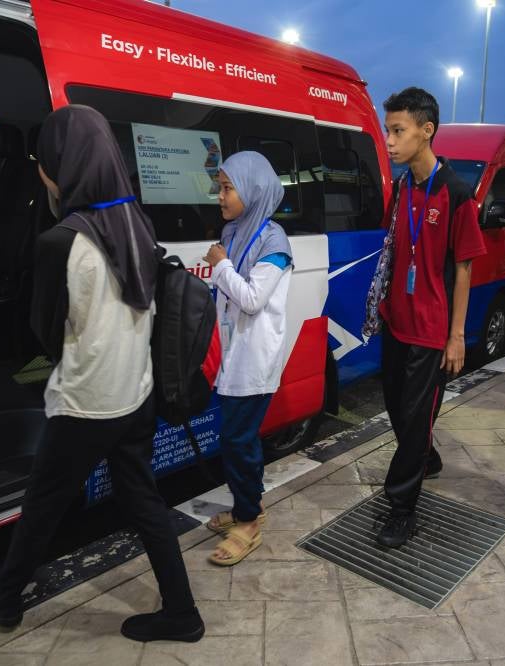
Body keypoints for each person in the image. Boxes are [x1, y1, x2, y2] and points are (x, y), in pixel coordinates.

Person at [0, 105, 204, 643]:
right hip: (135, 394)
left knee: (44, 503)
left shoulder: (60, 241)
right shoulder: (137, 223)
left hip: (87, 402)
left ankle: (4, 601)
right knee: (144, 501)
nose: (43, 173)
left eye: (45, 163)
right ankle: (182, 612)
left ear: (63, 168)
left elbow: (45, 335)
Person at [372, 87, 487, 548]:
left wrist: (456, 336)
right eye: (388, 130)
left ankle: (402, 508)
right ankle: (426, 456)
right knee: (397, 407)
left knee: (416, 418)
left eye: (398, 131)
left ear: (427, 130)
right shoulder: (402, 186)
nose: (390, 141)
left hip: (431, 330)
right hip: (396, 319)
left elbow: (464, 268)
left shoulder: (456, 192)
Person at [201, 151, 293, 566]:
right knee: (235, 439)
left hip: (253, 359)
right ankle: (242, 509)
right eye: (219, 187)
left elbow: (253, 300)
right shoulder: (236, 230)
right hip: (232, 355)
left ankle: (250, 520)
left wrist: (220, 267)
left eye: (226, 187)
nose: (219, 196)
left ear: (252, 189)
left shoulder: (273, 240)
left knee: (239, 441)